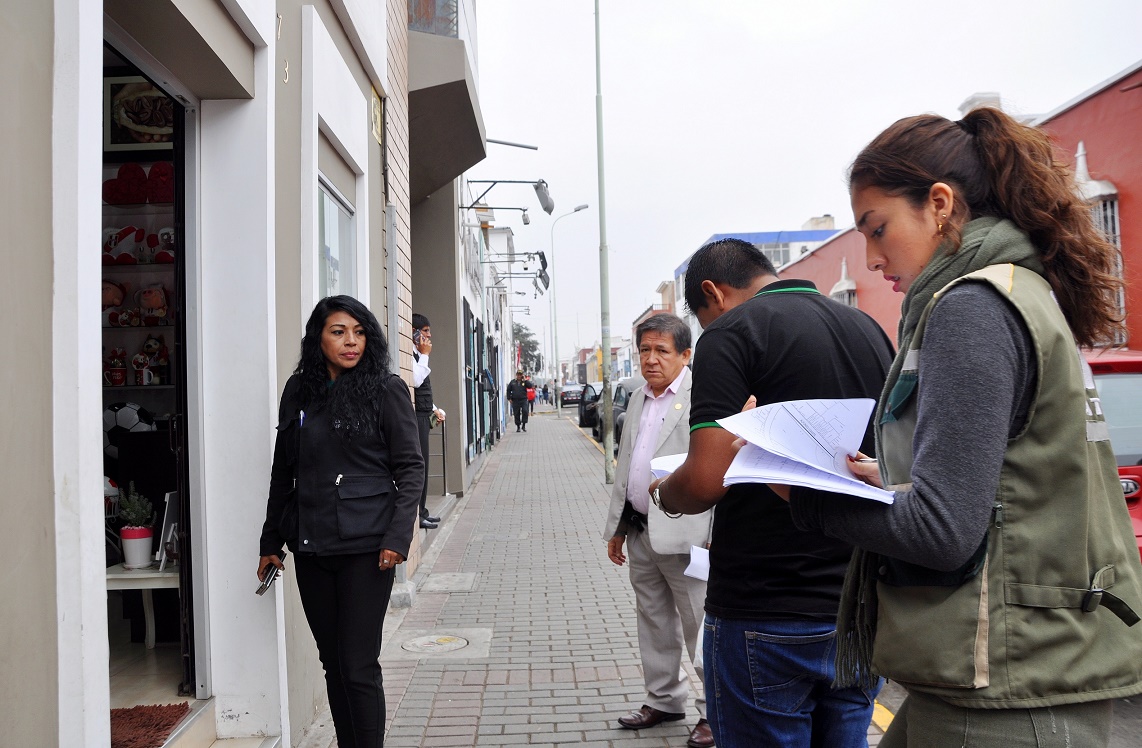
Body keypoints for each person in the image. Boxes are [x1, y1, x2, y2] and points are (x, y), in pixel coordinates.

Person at [781, 107, 1142, 747]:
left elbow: (943, 531)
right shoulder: (1019, 292)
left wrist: (801, 496)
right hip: (1022, 661)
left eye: (878, 228)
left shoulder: (969, 310)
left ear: (940, 205)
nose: (870, 257)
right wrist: (883, 481)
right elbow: (1005, 482)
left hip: (1007, 683)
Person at [650, 239, 895, 747]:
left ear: (713, 293)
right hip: (856, 606)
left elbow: (703, 479)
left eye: (701, 317)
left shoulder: (732, 334)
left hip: (763, 609)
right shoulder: (868, 329)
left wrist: (664, 495)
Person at [258, 296, 424, 748]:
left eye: (359, 332)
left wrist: (398, 536)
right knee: (332, 662)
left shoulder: (385, 388)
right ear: (319, 337)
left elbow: (410, 468)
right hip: (312, 547)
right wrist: (270, 539)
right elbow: (282, 468)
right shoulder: (298, 391)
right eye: (338, 332)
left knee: (358, 664)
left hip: (368, 549)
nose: (350, 341)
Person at [603, 313, 714, 748]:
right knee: (653, 621)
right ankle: (664, 699)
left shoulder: (701, 396)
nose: (650, 359)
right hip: (641, 532)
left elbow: (718, 469)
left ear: (685, 355)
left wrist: (713, 533)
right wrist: (617, 527)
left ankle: (713, 711)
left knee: (698, 625)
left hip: (688, 535)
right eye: (644, 350)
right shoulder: (637, 399)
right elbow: (627, 465)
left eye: (661, 351)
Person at [411, 313, 445, 530]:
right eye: (425, 331)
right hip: (415, 418)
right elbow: (414, 380)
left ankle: (422, 511)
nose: (429, 335)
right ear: (414, 332)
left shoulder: (417, 355)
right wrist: (425, 355)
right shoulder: (412, 355)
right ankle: (418, 515)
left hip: (424, 414)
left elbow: (422, 389)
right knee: (419, 466)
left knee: (423, 465)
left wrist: (435, 409)